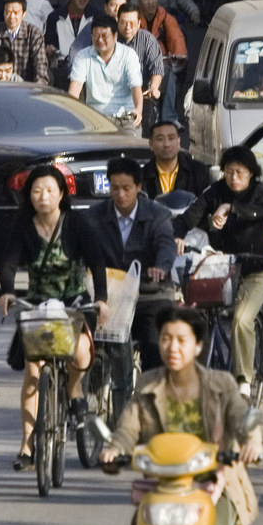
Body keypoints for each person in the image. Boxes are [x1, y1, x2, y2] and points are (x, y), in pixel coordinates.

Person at [101, 306, 261, 525]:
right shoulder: (147, 384)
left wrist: (251, 441)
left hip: (215, 483)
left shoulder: (221, 384)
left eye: (181, 340)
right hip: (165, 487)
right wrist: (115, 448)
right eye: (165, 339)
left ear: (198, 346)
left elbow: (242, 418)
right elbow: (128, 427)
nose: (172, 347)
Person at [0, 164, 107, 468]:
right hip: (38, 305)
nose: (42, 196)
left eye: (49, 190)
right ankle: (26, 445)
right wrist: (7, 291)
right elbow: (8, 263)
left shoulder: (77, 224)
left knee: (81, 352)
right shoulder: (23, 226)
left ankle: (73, 390)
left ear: (61, 194)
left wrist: (101, 299)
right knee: (34, 370)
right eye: (36, 191)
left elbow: (97, 262)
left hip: (74, 304)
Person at [178, 146, 263, 390]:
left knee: (241, 321)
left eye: (239, 173)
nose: (233, 178)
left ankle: (244, 379)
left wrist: (230, 208)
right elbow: (191, 215)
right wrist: (176, 235)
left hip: (256, 270)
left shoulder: (259, 193)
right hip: (222, 269)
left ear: (251, 174)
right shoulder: (216, 190)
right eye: (229, 172)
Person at [81, 156, 177, 403]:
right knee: (82, 336)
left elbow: (166, 245)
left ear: (138, 187)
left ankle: (152, 402)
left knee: (154, 347)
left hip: (149, 294)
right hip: (108, 296)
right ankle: (86, 390)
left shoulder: (158, 215)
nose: (120, 194)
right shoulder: (93, 217)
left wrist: (161, 268)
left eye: (126, 188)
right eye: (114, 188)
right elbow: (81, 250)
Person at [69, 15, 145, 125]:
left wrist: (138, 109)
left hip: (125, 117)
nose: (100, 40)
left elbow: (136, 86)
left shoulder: (128, 55)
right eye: (95, 35)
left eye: (104, 36)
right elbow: (74, 89)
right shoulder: (83, 56)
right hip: (95, 117)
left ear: (115, 36)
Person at [0, 0, 50, 85]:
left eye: (16, 12)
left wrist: (36, 90)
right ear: (3, 12)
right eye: (8, 12)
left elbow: (41, 65)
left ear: (23, 14)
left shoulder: (34, 34)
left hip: (26, 87)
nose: (12, 16)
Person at [116, 3, 168, 125]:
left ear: (139, 23)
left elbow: (157, 69)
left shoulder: (148, 39)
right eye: (123, 22)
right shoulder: (111, 38)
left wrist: (154, 88)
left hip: (142, 92)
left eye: (132, 23)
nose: (128, 27)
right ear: (117, 21)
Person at [147, 119, 213, 201]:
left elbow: (206, 203)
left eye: (171, 138)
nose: (166, 144)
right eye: (160, 139)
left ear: (178, 142)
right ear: (151, 144)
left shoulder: (199, 171)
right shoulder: (141, 176)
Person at [47, 0, 96, 82]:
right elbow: (49, 43)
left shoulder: (96, 17)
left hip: (88, 72)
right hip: (61, 72)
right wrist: (49, 49)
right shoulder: (55, 17)